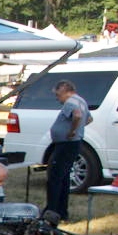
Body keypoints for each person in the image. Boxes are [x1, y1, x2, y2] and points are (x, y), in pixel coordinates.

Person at [44, 79, 90, 223]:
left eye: (58, 95)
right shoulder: (81, 101)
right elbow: (89, 119)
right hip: (72, 143)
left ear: (65, 90)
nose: (58, 99)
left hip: (66, 143)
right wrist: (79, 128)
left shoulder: (71, 102)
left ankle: (52, 210)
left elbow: (77, 115)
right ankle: (62, 211)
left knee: (55, 177)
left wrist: (72, 131)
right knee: (63, 178)